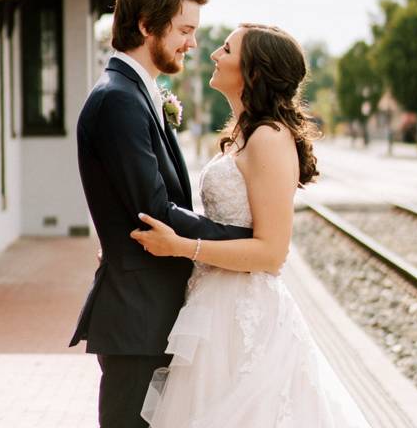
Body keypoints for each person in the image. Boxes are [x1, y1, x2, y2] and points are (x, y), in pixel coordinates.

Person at [131, 24, 373, 427]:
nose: (213, 55)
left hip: (247, 316)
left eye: (225, 49)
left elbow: (272, 252)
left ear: (254, 72)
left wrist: (182, 247)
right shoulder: (242, 135)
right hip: (213, 305)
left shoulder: (269, 139)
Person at [70, 0, 253, 428]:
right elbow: (154, 211)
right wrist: (241, 239)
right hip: (136, 317)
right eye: (184, 30)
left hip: (152, 309)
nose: (193, 43)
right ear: (148, 25)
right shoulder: (118, 100)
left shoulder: (138, 92)